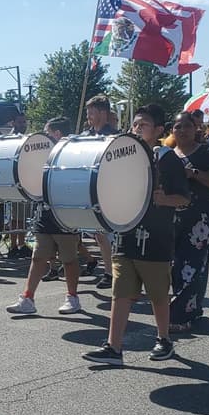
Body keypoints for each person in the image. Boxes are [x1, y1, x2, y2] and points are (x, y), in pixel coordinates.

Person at [84, 104, 189, 365]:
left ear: (158, 130)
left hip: (156, 236)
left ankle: (164, 339)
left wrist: (165, 199)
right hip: (127, 234)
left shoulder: (168, 159)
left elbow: (184, 198)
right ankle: (113, 347)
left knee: (157, 294)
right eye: (135, 124)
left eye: (143, 124)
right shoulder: (123, 157)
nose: (137, 128)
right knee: (120, 293)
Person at [6, 116, 82, 316]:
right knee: (38, 257)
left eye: (48, 133)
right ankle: (28, 298)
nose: (45, 137)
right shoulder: (44, 156)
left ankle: (72, 297)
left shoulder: (73, 153)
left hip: (65, 214)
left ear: (57, 134)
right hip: (45, 212)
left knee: (69, 259)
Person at [169, 110, 209, 333]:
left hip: (199, 220)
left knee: (192, 266)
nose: (182, 130)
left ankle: (181, 315)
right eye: (177, 127)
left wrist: (193, 173)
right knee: (176, 267)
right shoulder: (168, 154)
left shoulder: (206, 152)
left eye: (187, 126)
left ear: (196, 129)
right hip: (172, 218)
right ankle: (193, 309)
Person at [83, 95, 117, 289]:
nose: (88, 115)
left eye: (92, 112)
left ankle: (111, 272)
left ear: (103, 113)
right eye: (88, 111)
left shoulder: (114, 137)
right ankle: (109, 271)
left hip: (109, 190)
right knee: (99, 235)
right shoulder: (85, 136)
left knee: (106, 236)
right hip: (90, 189)